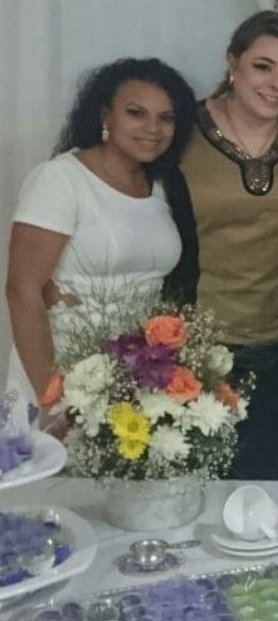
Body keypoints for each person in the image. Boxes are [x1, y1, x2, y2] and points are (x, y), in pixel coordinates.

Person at [164, 10, 278, 480]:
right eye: (263, 66)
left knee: (268, 491)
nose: (276, 84)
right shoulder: (178, 131)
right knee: (193, 491)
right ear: (233, 64)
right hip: (189, 351)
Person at [5, 58, 197, 422]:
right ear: (105, 116)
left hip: (137, 376)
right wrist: (53, 399)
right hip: (61, 369)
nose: (153, 128)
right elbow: (22, 290)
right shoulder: (61, 179)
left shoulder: (161, 185)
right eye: (136, 113)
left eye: (166, 118)